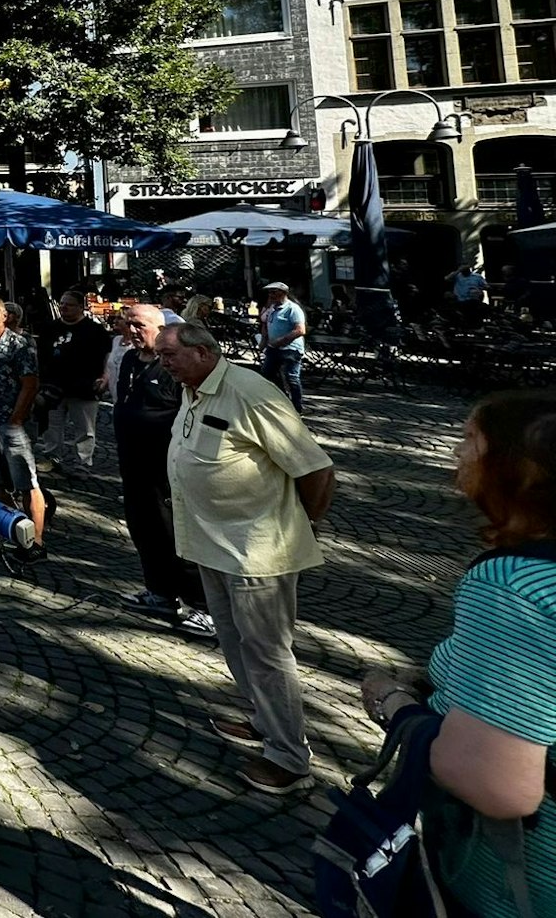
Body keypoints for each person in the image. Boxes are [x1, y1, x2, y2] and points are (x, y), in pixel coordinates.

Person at [358, 393, 555, 915]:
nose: (456, 452)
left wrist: (395, 703)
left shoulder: (516, 586)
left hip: (519, 887)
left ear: (522, 469)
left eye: (470, 439)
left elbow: (498, 786)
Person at [155, 321, 335, 794]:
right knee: (235, 642)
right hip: (212, 545)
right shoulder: (192, 389)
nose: (163, 363)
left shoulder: (250, 393)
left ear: (202, 352)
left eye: (169, 354)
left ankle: (289, 757)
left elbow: (316, 469)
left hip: (258, 552)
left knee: (268, 653)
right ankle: (264, 719)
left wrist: (304, 526)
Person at [110, 306, 214, 638]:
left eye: (139, 325)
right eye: (129, 324)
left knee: (176, 535)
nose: (133, 330)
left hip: (165, 468)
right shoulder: (128, 360)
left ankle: (202, 606)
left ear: (160, 328)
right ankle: (160, 593)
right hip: (133, 465)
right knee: (144, 530)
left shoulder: (172, 367)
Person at [0, 295, 45, 543]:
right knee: (0, 481)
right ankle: (11, 531)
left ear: (5, 316)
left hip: (13, 423)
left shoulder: (20, 344)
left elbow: (30, 384)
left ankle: (36, 540)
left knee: (27, 481)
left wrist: (16, 419)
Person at [43, 288, 112, 474]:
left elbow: (107, 355)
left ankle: (83, 463)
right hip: (54, 387)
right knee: (52, 427)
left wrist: (105, 377)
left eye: (69, 304)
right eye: (62, 303)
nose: (64, 307)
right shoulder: (51, 327)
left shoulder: (95, 330)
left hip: (84, 387)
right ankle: (52, 458)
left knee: (85, 429)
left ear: (81, 307)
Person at [256, 281, 308, 412]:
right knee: (267, 375)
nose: (271, 295)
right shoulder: (272, 309)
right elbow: (266, 326)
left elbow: (300, 330)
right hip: (274, 348)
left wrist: (283, 340)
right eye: (269, 292)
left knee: (291, 378)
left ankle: (297, 408)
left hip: (290, 349)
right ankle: (280, 401)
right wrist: (263, 342)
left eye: (274, 292)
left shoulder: (292, 309)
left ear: (283, 293)